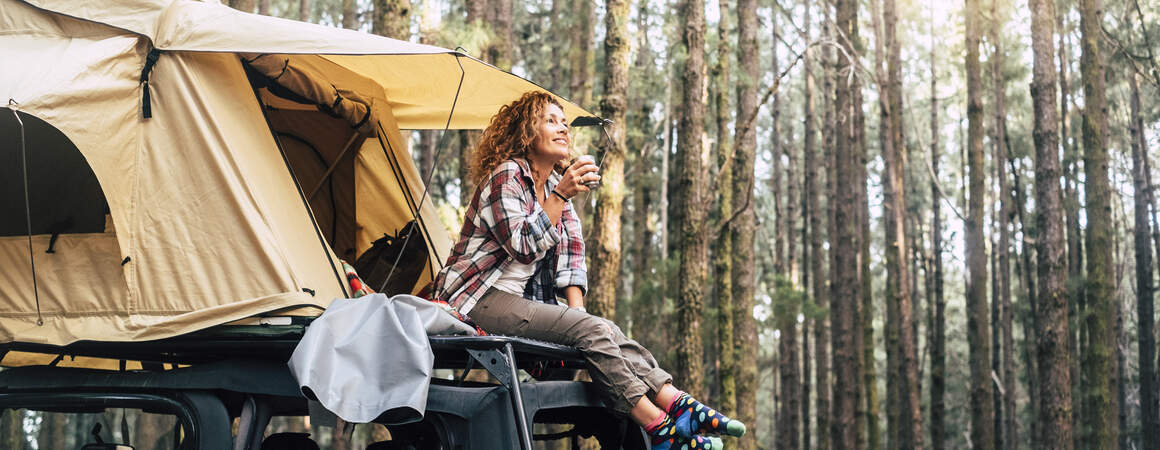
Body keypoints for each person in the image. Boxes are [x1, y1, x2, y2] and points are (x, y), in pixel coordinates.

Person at [431, 91, 746, 449]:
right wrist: (561, 197)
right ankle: (659, 427)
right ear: (526, 134)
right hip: (475, 297)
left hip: (514, 300)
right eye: (550, 121)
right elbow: (520, 244)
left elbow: (571, 257)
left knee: (603, 328)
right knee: (591, 328)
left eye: (564, 123)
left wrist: (577, 316)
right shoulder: (508, 176)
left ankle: (675, 401)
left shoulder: (554, 184)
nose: (563, 128)